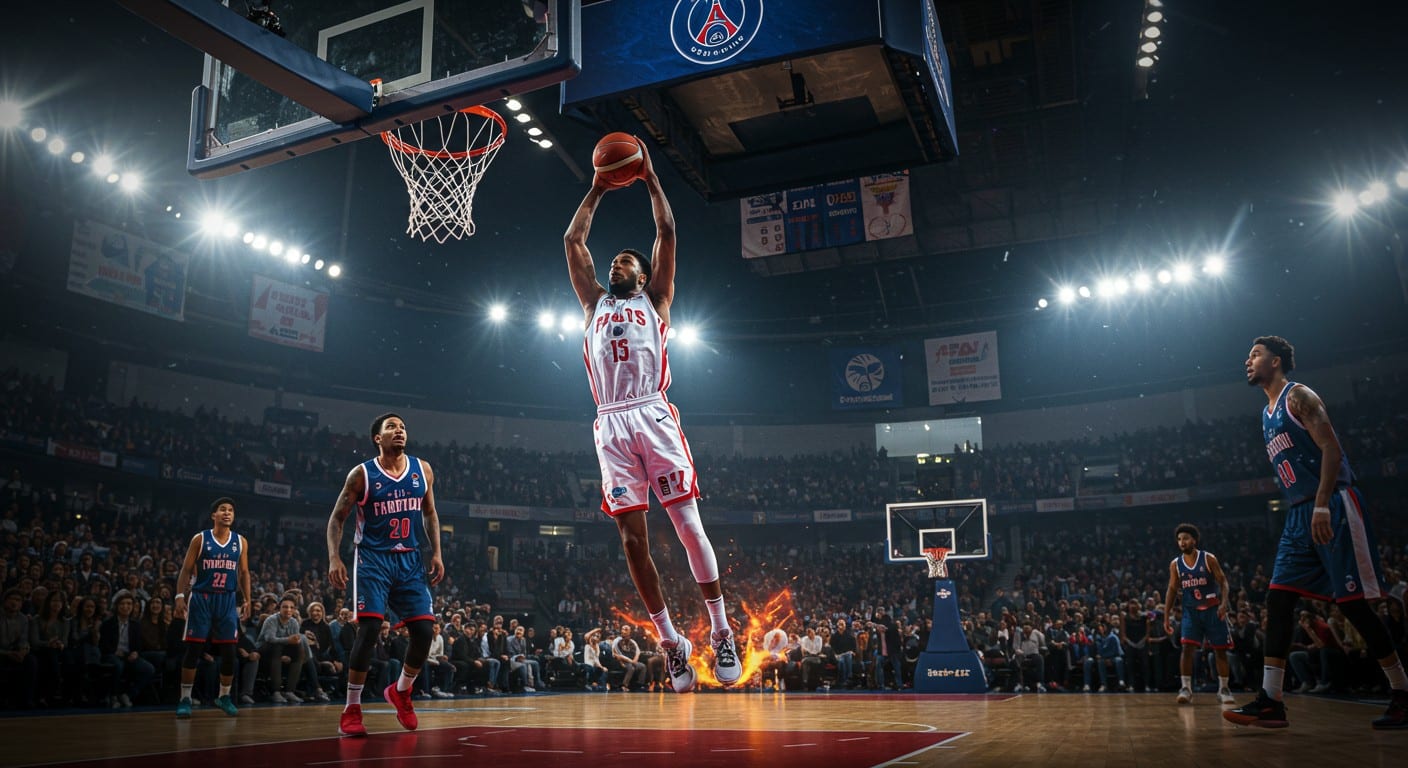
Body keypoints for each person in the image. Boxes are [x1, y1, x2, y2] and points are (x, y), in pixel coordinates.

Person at [563, 136, 739, 692]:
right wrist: (595, 189)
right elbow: (573, 240)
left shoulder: (655, 301)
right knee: (632, 542)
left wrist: (651, 178)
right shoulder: (593, 304)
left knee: (687, 526)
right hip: (610, 421)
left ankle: (720, 629)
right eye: (613, 261)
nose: (616, 264)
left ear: (642, 276)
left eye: (625, 262)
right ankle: (671, 643)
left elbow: (666, 232)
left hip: (653, 414)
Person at [1226, 336, 1408, 729]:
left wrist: (1323, 502)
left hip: (1334, 503)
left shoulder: (1299, 396)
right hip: (1298, 513)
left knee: (1354, 605)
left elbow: (1331, 448)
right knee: (1277, 600)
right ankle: (1271, 700)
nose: (1248, 360)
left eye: (1255, 354)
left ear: (1276, 362)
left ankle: (1403, 693)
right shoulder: (1265, 414)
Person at [327, 413, 446, 737]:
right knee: (368, 631)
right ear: (377, 438)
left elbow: (430, 513)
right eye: (391, 427)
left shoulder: (423, 470)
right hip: (373, 559)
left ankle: (402, 691)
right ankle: (352, 707)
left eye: (403, 427)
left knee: (424, 631)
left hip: (409, 559)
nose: (399, 431)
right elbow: (337, 518)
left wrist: (436, 552)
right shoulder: (362, 474)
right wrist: (334, 558)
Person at [172, 497, 251, 718]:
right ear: (213, 515)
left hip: (227, 599)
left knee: (229, 652)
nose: (227, 513)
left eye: (231, 510)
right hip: (202, 598)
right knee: (194, 649)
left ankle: (223, 696)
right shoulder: (200, 539)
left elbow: (244, 573)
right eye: (222, 509)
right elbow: (186, 570)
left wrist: (247, 599)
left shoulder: (240, 541)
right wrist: (179, 596)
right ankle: (185, 698)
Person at [1163, 523, 1233, 705]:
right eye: (1179, 539)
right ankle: (1186, 688)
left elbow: (1223, 582)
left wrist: (1224, 603)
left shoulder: (1208, 559)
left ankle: (1224, 689)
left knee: (1220, 651)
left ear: (1194, 540)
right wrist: (1166, 615)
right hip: (1190, 612)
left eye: (1185, 538)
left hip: (1212, 609)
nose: (1182, 542)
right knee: (1187, 649)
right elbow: (1171, 589)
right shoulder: (1175, 564)